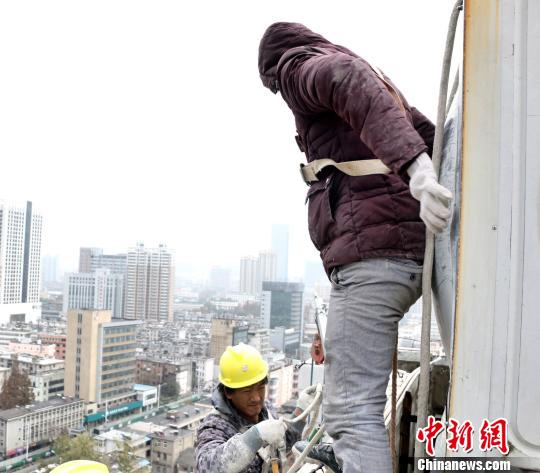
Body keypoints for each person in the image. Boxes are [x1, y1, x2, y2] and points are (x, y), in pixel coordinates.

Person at [258, 22, 452, 473]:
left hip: (371, 257)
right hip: (410, 251)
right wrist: (420, 171)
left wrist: (415, 168)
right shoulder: (378, 80)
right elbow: (428, 132)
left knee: (349, 413)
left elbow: (342, 76)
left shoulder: (295, 67)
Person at [195, 343, 314, 473]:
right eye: (247, 391)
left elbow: (284, 443)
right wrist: (253, 438)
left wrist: (301, 411)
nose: (256, 397)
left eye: (261, 388)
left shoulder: (264, 410)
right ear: (228, 392)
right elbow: (208, 467)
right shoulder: (216, 426)